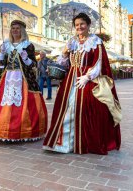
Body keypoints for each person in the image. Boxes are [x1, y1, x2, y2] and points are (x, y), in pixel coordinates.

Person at [43, 12, 121, 155]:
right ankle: (62, 143)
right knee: (66, 108)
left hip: (87, 80)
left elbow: (99, 63)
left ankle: (82, 142)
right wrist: (65, 53)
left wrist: (87, 76)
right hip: (70, 80)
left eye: (82, 24)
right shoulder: (71, 42)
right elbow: (63, 63)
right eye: (77, 25)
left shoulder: (95, 41)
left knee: (85, 109)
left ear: (88, 25)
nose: (79, 27)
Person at [0, 20, 47, 141]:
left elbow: (33, 64)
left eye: (17, 28)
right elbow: (1, 63)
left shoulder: (28, 45)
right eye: (13, 28)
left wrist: (26, 58)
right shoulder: (6, 45)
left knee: (22, 103)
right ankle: (3, 129)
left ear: (22, 30)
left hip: (24, 78)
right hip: (8, 77)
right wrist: (1, 53)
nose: (15, 30)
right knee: (6, 102)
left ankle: (22, 130)